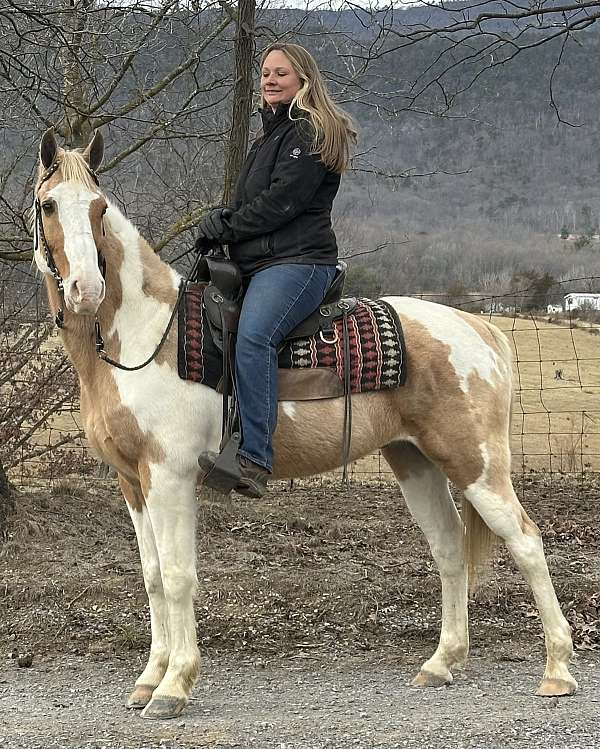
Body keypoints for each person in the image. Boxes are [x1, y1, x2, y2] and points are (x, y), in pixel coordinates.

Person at [196, 42, 357, 498]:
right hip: (262, 260)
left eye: (280, 73)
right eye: (265, 72)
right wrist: (221, 219)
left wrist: (228, 224)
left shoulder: (310, 132)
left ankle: (254, 459)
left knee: (254, 336)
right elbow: (254, 203)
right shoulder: (270, 136)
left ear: (303, 79)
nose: (269, 80)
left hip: (299, 261)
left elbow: (282, 204)